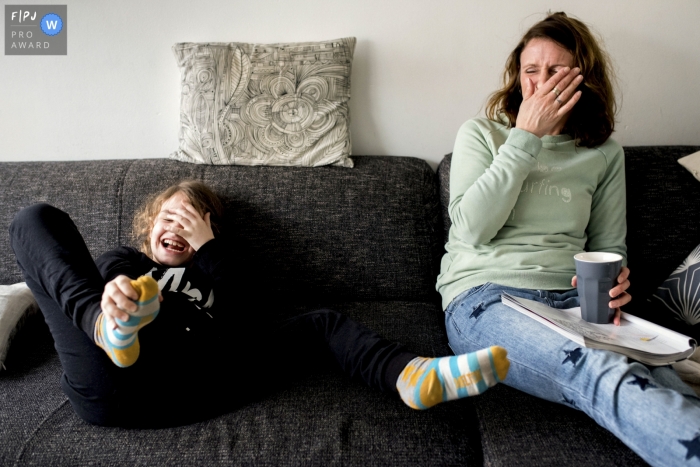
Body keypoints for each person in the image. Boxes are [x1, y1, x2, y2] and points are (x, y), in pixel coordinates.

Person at [9, 180, 510, 428]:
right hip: (111, 378)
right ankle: (108, 327)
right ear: (147, 228)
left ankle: (411, 375)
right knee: (34, 219)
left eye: (191, 219)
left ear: (210, 233)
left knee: (321, 322)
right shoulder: (124, 257)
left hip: (197, 382)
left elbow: (252, 317)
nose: (176, 226)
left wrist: (209, 249)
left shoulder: (219, 273)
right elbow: (110, 275)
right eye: (168, 217)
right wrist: (115, 304)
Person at [438, 11, 700, 466]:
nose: (541, 84)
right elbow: (472, 229)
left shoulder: (602, 155)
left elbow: (609, 247)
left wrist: (617, 285)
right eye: (530, 71)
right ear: (517, 79)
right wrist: (525, 138)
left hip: (574, 302)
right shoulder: (481, 134)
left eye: (556, 71)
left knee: (674, 382)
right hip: (485, 298)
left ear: (584, 78)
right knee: (598, 370)